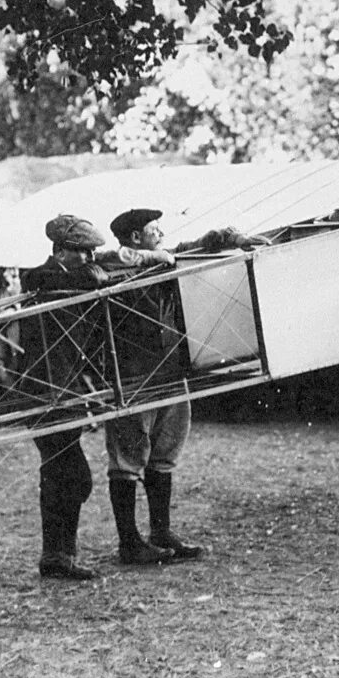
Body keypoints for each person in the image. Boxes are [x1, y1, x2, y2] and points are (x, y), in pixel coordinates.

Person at [96, 208, 209, 565]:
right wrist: (159, 255)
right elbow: (111, 256)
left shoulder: (160, 261)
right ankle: (129, 542)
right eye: (153, 229)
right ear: (134, 238)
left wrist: (229, 237)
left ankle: (160, 532)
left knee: (165, 452)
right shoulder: (113, 265)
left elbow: (195, 246)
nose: (161, 233)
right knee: (128, 458)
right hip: (132, 377)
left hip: (170, 373)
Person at [19, 214, 110, 580]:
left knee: (59, 473)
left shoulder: (69, 279)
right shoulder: (42, 277)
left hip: (65, 389)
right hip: (44, 392)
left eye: (91, 253)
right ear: (59, 250)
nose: (88, 259)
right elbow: (54, 279)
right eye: (81, 252)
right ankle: (57, 555)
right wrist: (91, 274)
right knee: (73, 476)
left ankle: (57, 556)